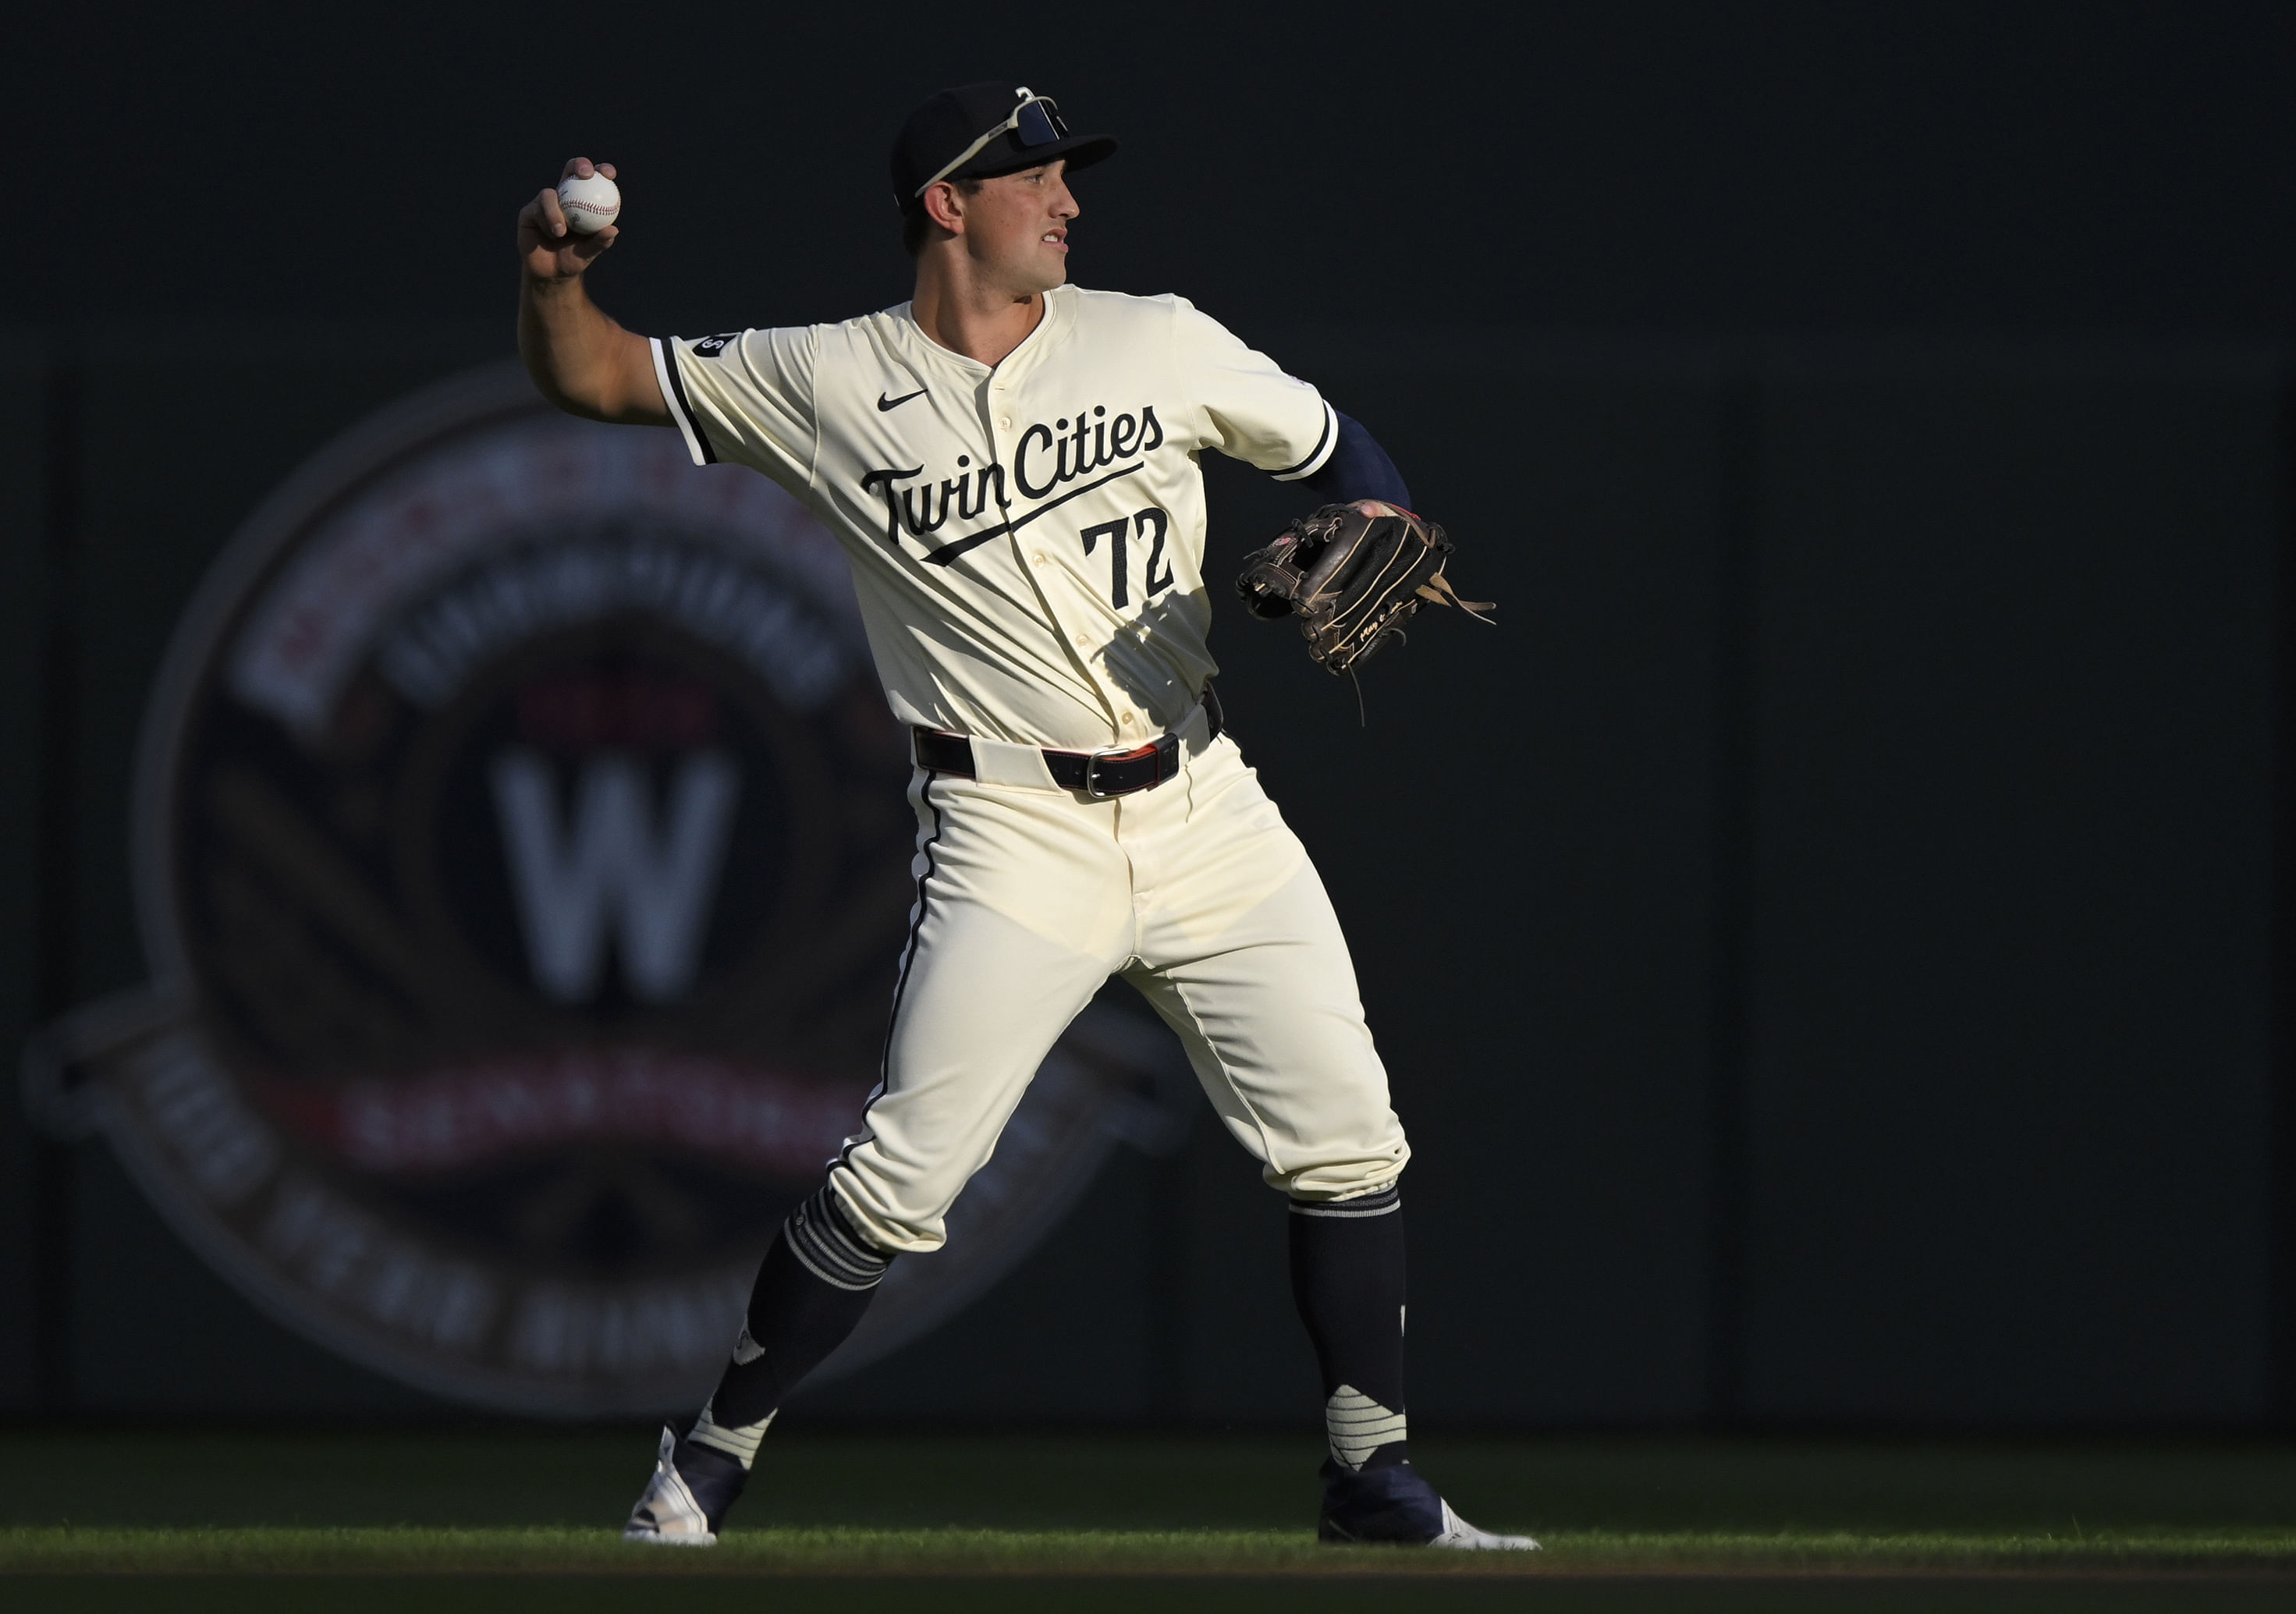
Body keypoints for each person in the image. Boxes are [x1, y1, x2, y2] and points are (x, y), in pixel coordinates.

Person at [515, 80, 1533, 1552]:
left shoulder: (1155, 336)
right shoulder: (821, 376)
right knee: (902, 1176)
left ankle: (1370, 1480)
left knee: (1350, 1142)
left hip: (1202, 803)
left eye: (1068, 175)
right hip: (1009, 833)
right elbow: (599, 377)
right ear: (947, 203)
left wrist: (1375, 514)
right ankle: (706, 1466)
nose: (1067, 200)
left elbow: (1327, 447)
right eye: (1033, 177)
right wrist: (558, 279)